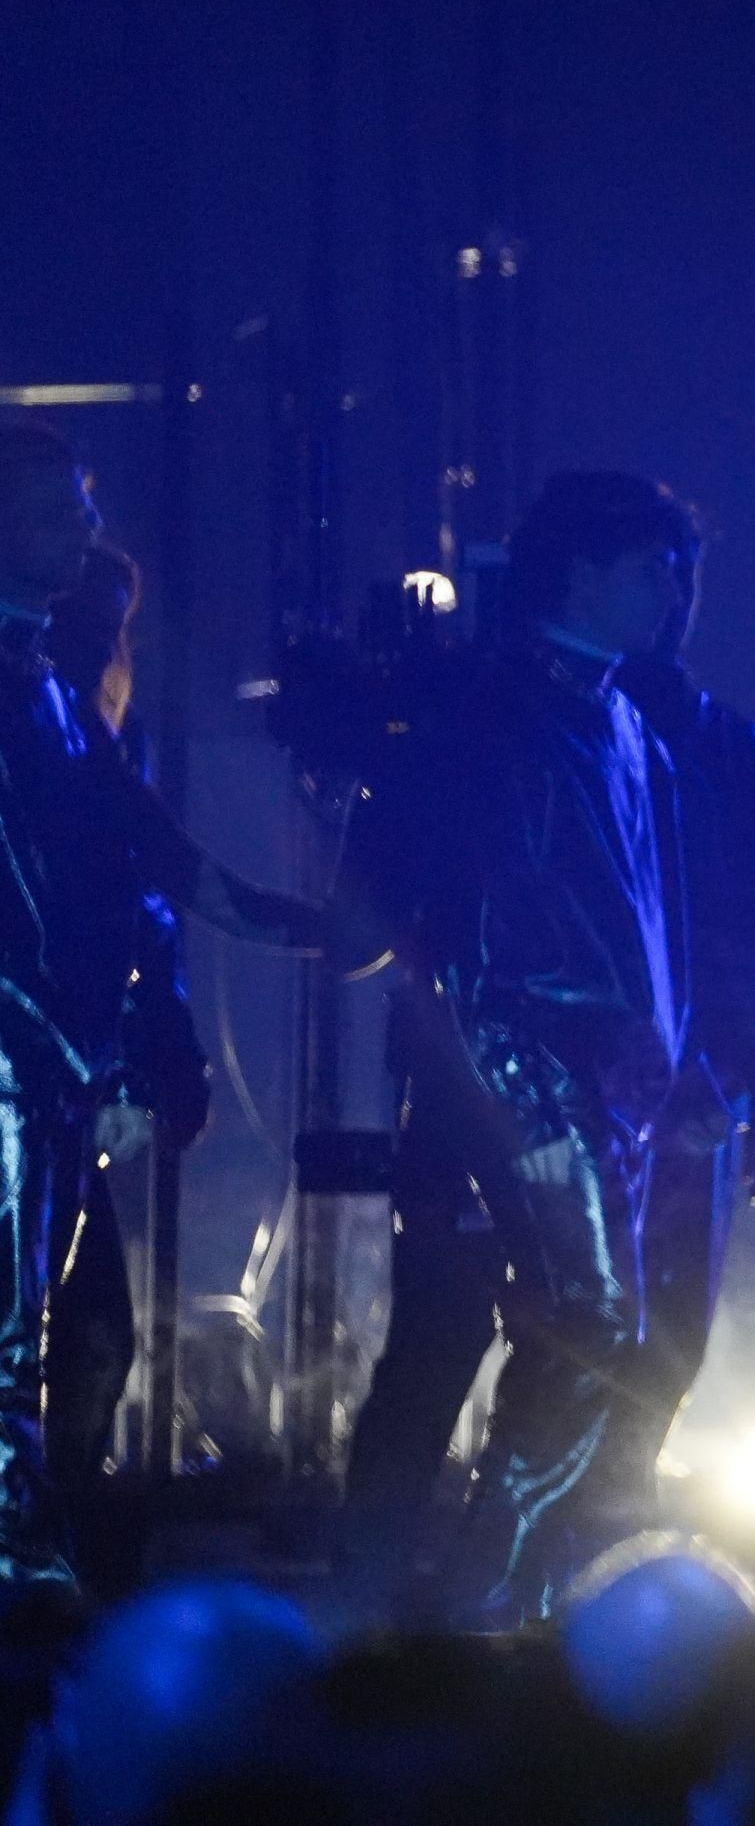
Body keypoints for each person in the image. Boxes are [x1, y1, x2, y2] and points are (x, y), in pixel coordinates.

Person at [333, 472, 696, 1626]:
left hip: (591, 1089)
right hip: (512, 1078)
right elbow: (439, 920)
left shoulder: (626, 724)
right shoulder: (494, 713)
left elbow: (649, 923)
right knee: (544, 1326)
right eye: (649, 567)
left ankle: (495, 1590)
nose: (673, 591)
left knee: (583, 1326)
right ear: (581, 572)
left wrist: (669, 1067)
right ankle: (463, 1594)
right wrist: (513, 1090)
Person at [0, 426, 318, 1590]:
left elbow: (148, 868)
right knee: (32, 1333)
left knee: (71, 1332)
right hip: (27, 1068)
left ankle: (40, 1562)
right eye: (59, 509)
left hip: (52, 1070)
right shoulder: (31, 689)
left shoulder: (50, 690)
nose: (86, 531)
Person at [611, 540, 755, 1510]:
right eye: (652, 572)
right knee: (580, 1324)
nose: (673, 599)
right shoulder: (568, 731)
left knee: (669, 1327)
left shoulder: (737, 750)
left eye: (683, 577)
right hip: (575, 1077)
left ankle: (601, 1513)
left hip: (701, 1087)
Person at [38, 543, 211, 1586]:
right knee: (77, 1329)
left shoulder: (105, 752)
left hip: (62, 1093)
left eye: (115, 633)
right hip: (37, 1083)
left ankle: (53, 1553)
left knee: (92, 1332)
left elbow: (144, 922)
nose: (107, 655)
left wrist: (158, 1061)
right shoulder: (49, 743)